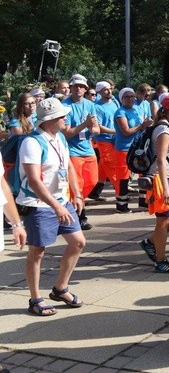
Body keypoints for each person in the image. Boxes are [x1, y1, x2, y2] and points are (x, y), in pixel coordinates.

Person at [17, 98, 86, 316]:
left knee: (78, 242)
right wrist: (56, 206)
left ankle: (60, 289)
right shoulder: (32, 143)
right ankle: (35, 299)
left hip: (61, 201)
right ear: (49, 120)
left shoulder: (60, 139)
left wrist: (76, 193)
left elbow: (69, 167)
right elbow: (34, 180)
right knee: (38, 251)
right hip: (38, 204)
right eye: (62, 116)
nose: (66, 118)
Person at [139, 94, 169, 273]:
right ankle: (161, 261)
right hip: (162, 180)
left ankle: (151, 242)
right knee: (163, 220)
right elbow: (160, 159)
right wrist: (166, 187)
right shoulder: (164, 130)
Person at [61, 74, 99, 230]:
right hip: (72, 151)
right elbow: (67, 133)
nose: (78, 89)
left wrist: (93, 129)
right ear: (71, 88)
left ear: (85, 88)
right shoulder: (65, 105)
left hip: (88, 149)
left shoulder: (90, 105)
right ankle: (80, 216)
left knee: (92, 181)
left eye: (81, 86)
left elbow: (95, 128)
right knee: (77, 184)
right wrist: (85, 124)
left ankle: (75, 206)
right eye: (75, 86)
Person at [114, 88, 153, 213]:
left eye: (132, 96)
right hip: (124, 148)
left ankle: (143, 202)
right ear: (122, 99)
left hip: (138, 147)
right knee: (123, 177)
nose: (130, 99)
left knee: (143, 173)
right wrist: (142, 126)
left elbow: (141, 128)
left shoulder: (136, 109)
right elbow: (125, 131)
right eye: (127, 97)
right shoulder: (120, 112)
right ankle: (121, 204)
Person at [89, 81, 118, 202]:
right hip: (103, 140)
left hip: (115, 140)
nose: (109, 91)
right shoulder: (96, 107)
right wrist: (115, 131)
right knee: (111, 166)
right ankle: (121, 191)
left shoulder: (115, 102)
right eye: (105, 89)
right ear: (99, 91)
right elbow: (98, 126)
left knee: (103, 166)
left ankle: (95, 191)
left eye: (110, 89)